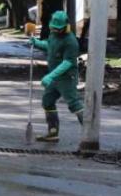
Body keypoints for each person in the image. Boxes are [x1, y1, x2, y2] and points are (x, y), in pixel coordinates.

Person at [30, 10, 83, 143]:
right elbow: (50, 46)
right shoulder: (53, 34)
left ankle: (89, 133)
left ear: (66, 26)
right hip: (54, 77)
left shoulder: (71, 42)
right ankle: (53, 133)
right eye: (54, 28)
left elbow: (67, 63)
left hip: (66, 78)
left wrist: (50, 76)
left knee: (73, 104)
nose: (56, 31)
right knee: (47, 102)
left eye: (59, 29)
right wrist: (37, 43)